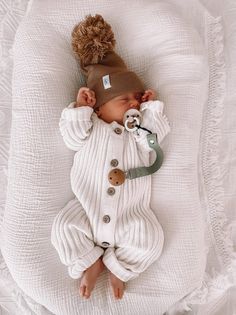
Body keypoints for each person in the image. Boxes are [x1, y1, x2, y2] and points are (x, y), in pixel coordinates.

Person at [51, 14, 171, 300]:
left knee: (150, 239)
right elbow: (71, 136)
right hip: (87, 209)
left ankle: (120, 267)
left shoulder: (137, 134)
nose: (133, 104)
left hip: (130, 215)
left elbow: (155, 139)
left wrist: (151, 109)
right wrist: (80, 108)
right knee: (63, 228)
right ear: (100, 110)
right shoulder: (91, 127)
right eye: (123, 100)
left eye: (136, 98)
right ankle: (89, 261)